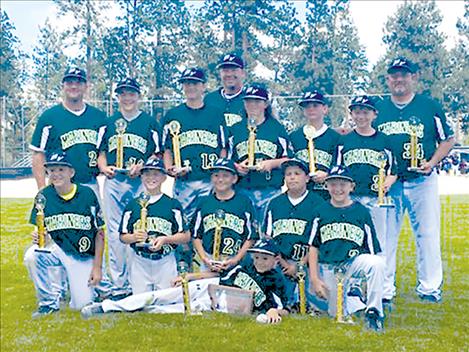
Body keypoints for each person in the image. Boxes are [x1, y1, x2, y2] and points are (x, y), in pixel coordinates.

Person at [375, 57, 455, 303]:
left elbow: (448, 140)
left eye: (404, 74)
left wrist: (432, 162)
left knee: (428, 235)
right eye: (394, 75)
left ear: (413, 77)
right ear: (388, 79)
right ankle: (385, 289)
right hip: (390, 184)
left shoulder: (428, 107)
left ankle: (430, 288)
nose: (399, 79)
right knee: (386, 237)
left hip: (422, 180)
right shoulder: (378, 109)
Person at [81, 240, 289, 324]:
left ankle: (128, 312)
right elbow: (217, 277)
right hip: (207, 288)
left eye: (265, 257)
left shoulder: (276, 280)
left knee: (169, 310)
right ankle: (107, 306)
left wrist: (274, 312)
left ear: (275, 259)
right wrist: (189, 277)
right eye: (257, 256)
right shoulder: (245, 265)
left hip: (218, 305)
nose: (260, 261)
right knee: (159, 296)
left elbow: (284, 308)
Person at [97, 77, 161, 299]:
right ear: (118, 97)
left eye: (131, 93)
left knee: (140, 229)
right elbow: (101, 152)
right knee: (115, 234)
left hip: (139, 182)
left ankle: (138, 281)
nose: (127, 97)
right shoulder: (109, 122)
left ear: (138, 96)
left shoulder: (150, 122)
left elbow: (157, 153)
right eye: (123, 93)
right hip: (115, 182)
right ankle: (119, 284)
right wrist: (104, 167)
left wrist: (143, 165)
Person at [24, 151, 104, 317]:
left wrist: (97, 267)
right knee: (33, 255)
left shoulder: (87, 194)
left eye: (61, 169)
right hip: (58, 250)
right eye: (52, 170)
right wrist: (41, 237)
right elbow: (41, 230)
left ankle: (99, 287)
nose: (56, 174)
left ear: (71, 172)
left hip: (81, 255)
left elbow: (100, 233)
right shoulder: (44, 196)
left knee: (81, 304)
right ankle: (48, 303)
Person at [161, 67, 227, 266]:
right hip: (184, 182)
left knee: (212, 224)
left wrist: (220, 175)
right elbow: (167, 149)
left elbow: (223, 148)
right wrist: (169, 169)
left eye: (195, 83)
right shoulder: (173, 114)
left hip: (209, 180)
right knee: (183, 227)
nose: (190, 87)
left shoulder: (216, 114)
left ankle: (213, 268)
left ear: (203, 86)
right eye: (186, 83)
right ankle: (184, 270)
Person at [308, 166, 385, 332]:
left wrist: (366, 281)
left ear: (352, 186)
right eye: (333, 184)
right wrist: (315, 278)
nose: (338, 189)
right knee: (335, 312)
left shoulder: (361, 211)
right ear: (327, 186)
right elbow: (313, 247)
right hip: (330, 268)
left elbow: (371, 248)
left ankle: (373, 311)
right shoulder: (319, 212)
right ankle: (354, 297)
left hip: (353, 264)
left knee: (376, 263)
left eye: (343, 184)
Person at [30, 66, 106, 197]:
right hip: (58, 185)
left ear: (86, 86)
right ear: (63, 86)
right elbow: (38, 154)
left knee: (93, 218)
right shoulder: (49, 117)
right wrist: (42, 189)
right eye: (69, 82)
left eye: (79, 82)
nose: (74, 86)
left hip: (90, 183)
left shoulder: (98, 117)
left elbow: (102, 151)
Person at [335, 95, 397, 255]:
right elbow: (337, 171)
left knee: (378, 240)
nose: (361, 116)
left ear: (374, 114)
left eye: (365, 112)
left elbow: (393, 171)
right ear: (351, 115)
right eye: (356, 112)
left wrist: (387, 183)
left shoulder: (384, 140)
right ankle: (352, 279)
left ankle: (381, 279)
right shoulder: (344, 141)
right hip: (351, 198)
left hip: (376, 198)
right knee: (350, 237)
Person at [119, 158, 190, 294]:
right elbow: (123, 236)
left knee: (167, 302)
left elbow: (186, 236)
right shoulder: (133, 205)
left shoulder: (172, 204)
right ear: (141, 176)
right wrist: (134, 237)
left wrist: (165, 239)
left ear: (164, 177)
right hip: (140, 260)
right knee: (140, 303)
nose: (151, 178)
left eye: (156, 174)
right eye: (147, 174)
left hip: (165, 260)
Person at [263, 158, 325, 310]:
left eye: (297, 173)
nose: (292, 177)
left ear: (307, 177)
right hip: (280, 263)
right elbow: (268, 239)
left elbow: (320, 242)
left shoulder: (318, 203)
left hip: (309, 262)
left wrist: (299, 265)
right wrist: (284, 264)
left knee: (320, 302)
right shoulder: (274, 203)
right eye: (288, 174)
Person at [229, 83, 291, 225]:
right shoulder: (236, 129)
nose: (252, 105)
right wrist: (237, 167)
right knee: (244, 230)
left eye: (257, 101)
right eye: (248, 101)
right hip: (243, 189)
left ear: (265, 104)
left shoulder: (276, 128)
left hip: (270, 189)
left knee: (267, 232)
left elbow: (288, 159)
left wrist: (271, 163)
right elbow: (227, 160)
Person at [192, 158, 257, 272]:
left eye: (225, 175)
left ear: (234, 178)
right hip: (209, 259)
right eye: (216, 175)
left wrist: (236, 259)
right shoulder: (204, 202)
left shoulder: (244, 202)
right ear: (211, 178)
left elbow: (251, 237)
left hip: (234, 259)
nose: (220, 179)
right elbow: (196, 235)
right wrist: (204, 258)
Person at [289, 90, 341, 200]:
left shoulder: (336, 138)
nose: (311, 109)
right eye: (307, 106)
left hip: (326, 194)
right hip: (300, 194)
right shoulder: (294, 137)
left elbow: (340, 166)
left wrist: (328, 175)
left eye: (315, 105)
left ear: (325, 109)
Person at [204, 53, 246, 130]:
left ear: (243, 73)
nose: (229, 74)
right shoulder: (209, 99)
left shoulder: (251, 100)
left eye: (234, 70)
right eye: (225, 70)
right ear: (220, 73)